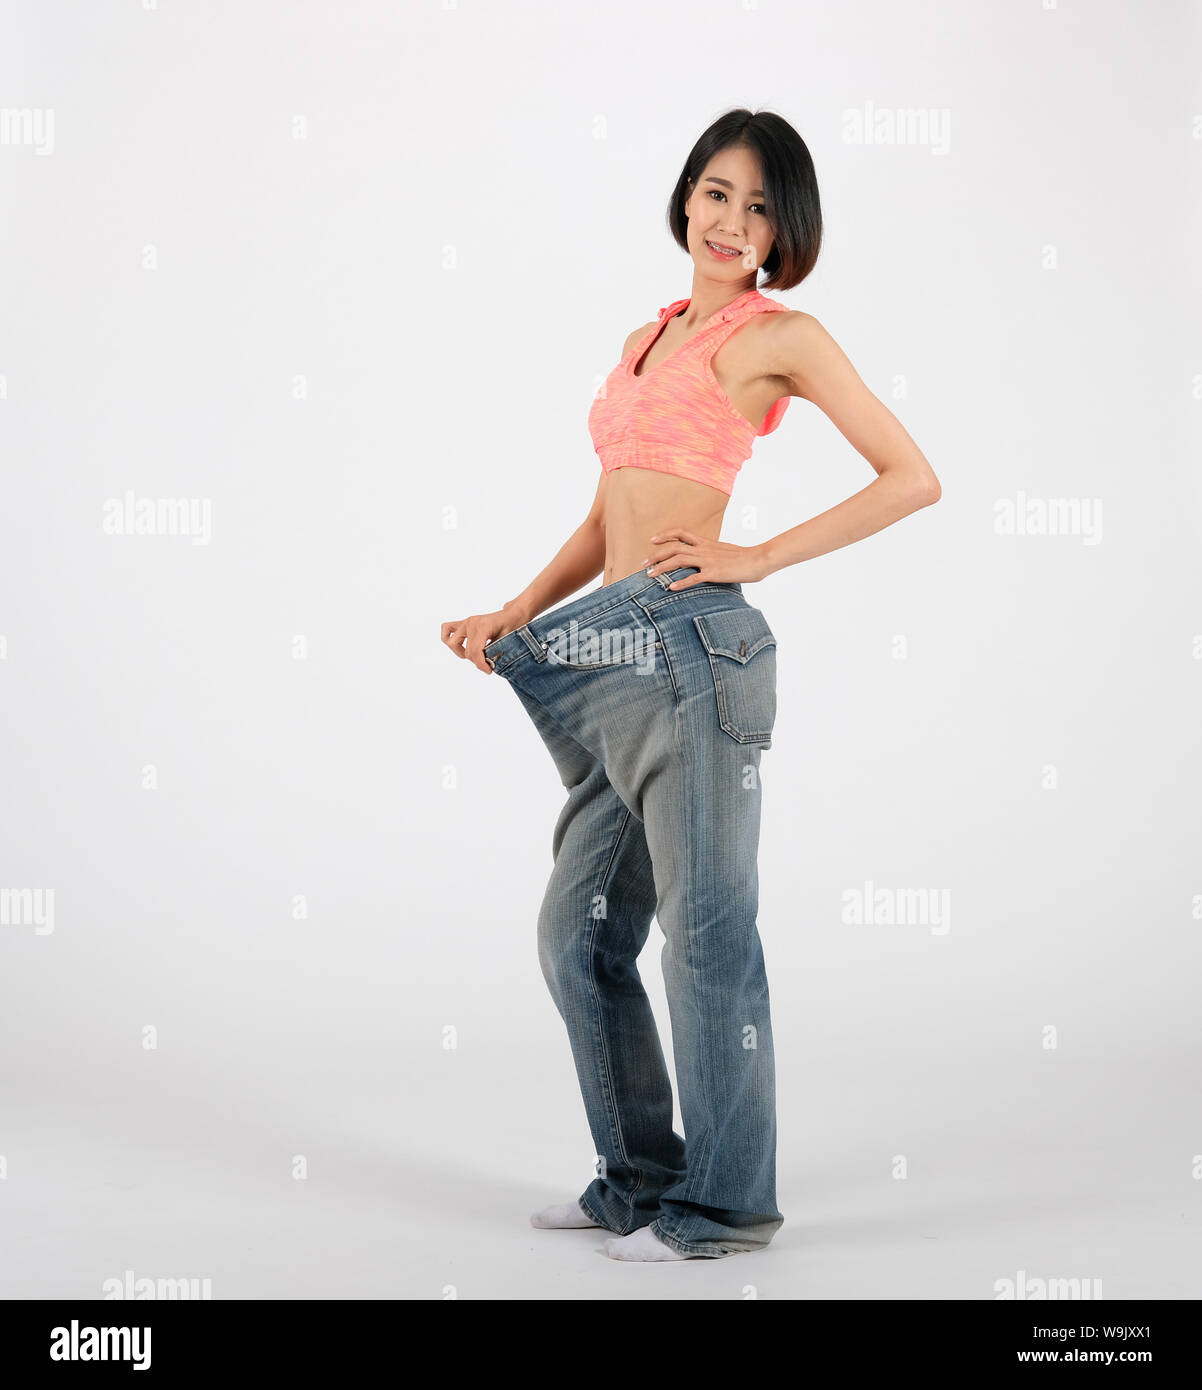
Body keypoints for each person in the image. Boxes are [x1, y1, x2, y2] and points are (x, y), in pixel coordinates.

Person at [441, 107, 941, 1262]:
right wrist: (518, 609)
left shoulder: (786, 335)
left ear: (784, 229)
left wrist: (756, 554)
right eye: (717, 192)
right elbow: (607, 505)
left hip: (695, 650)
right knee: (578, 933)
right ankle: (637, 1175)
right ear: (684, 197)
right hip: (612, 648)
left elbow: (909, 476)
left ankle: (723, 1206)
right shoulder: (645, 335)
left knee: (706, 937)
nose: (732, 220)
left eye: (761, 206)